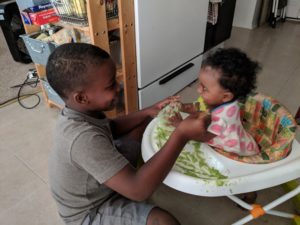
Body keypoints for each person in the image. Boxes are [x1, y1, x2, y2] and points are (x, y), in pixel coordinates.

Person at [46, 43, 206, 225]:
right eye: (110, 85)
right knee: (163, 221)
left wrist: (147, 112)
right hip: (90, 212)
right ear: (82, 97)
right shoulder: (82, 138)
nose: (118, 87)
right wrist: (181, 135)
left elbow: (110, 128)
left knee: (143, 123)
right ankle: (129, 180)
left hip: (101, 182)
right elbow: (138, 191)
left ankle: (130, 176)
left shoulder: (82, 111)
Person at [169, 47, 261, 157]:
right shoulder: (218, 100)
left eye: (204, 88)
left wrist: (180, 125)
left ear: (226, 96)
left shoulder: (222, 117)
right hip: (242, 140)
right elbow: (198, 106)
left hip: (235, 151)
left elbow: (202, 136)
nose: (198, 90)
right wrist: (182, 106)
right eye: (200, 84)